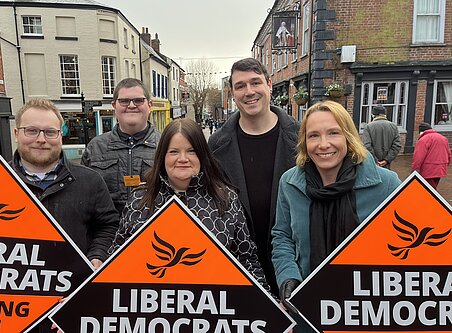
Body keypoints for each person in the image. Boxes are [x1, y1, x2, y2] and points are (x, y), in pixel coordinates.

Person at [271, 101, 400, 332]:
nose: (323, 144)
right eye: (313, 136)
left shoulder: (387, 184)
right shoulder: (289, 183)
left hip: (366, 310)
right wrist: (288, 277)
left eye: (333, 133)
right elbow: (282, 237)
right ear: (304, 142)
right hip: (307, 306)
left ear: (348, 137)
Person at [110, 118, 269, 289]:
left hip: (214, 307)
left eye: (191, 151)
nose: (183, 158)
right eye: (174, 152)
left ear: (202, 156)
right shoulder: (139, 200)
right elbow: (116, 261)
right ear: (162, 156)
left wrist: (268, 305)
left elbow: (247, 260)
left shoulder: (226, 199)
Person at [10, 99, 120, 333]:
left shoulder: (90, 181)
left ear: (61, 135)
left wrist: (97, 256)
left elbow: (109, 225)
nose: (41, 139)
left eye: (50, 132)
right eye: (32, 131)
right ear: (16, 133)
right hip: (12, 309)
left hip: (72, 301)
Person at [208, 58, 299, 295]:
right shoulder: (217, 145)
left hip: (294, 262)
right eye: (240, 86)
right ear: (232, 93)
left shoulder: (301, 137)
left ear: (269, 84)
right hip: (239, 264)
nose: (249, 92)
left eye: (255, 83)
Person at [82, 78, 161, 215]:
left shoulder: (165, 145)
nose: (131, 105)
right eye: (124, 101)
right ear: (114, 105)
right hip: (108, 232)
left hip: (152, 230)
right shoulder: (95, 147)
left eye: (138, 100)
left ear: (149, 105)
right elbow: (83, 195)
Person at [412, 122, 451, 189]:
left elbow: (418, 156)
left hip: (428, 170)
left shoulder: (423, 139)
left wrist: (415, 169)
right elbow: (449, 154)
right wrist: (445, 165)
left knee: (427, 190)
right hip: (441, 169)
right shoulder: (443, 138)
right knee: (433, 188)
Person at [362, 105, 401, 169]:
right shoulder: (393, 126)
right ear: (384, 114)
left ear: (374, 115)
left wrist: (375, 160)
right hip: (386, 164)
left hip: (373, 164)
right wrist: (386, 160)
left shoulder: (368, 127)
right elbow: (397, 145)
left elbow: (367, 146)